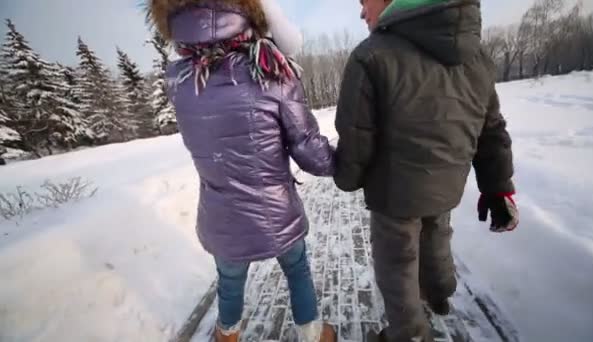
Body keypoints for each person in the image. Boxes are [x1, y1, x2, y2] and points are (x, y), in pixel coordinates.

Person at [146, 1, 336, 341]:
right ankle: (312, 334)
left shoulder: (180, 81)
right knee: (297, 269)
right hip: (276, 213)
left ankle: (227, 335)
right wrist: (349, 162)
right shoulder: (270, 70)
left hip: (220, 216)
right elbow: (310, 151)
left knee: (230, 283)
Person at [333, 0, 519, 341]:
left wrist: (347, 177)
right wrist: (498, 188)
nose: (362, 12)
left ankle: (410, 332)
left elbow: (356, 135)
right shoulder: (475, 56)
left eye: (364, 2)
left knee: (397, 263)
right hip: (447, 185)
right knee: (435, 232)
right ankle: (439, 291)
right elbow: (491, 129)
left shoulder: (371, 55)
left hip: (395, 195)